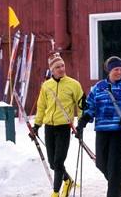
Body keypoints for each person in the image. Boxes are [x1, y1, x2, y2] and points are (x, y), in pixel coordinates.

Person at [75, 56, 121, 197]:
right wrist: (83, 120)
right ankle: (118, 180)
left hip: (120, 132)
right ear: (109, 71)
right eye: (116, 69)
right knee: (101, 163)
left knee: (114, 167)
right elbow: (91, 106)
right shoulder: (98, 87)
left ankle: (115, 186)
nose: (119, 72)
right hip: (102, 131)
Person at [31, 52, 85, 197]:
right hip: (49, 127)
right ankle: (68, 180)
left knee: (59, 160)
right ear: (52, 70)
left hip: (64, 128)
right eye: (57, 67)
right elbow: (41, 107)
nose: (61, 69)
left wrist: (81, 125)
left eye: (62, 66)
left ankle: (56, 192)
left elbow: (81, 107)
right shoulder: (46, 86)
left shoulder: (74, 85)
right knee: (52, 163)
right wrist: (36, 126)